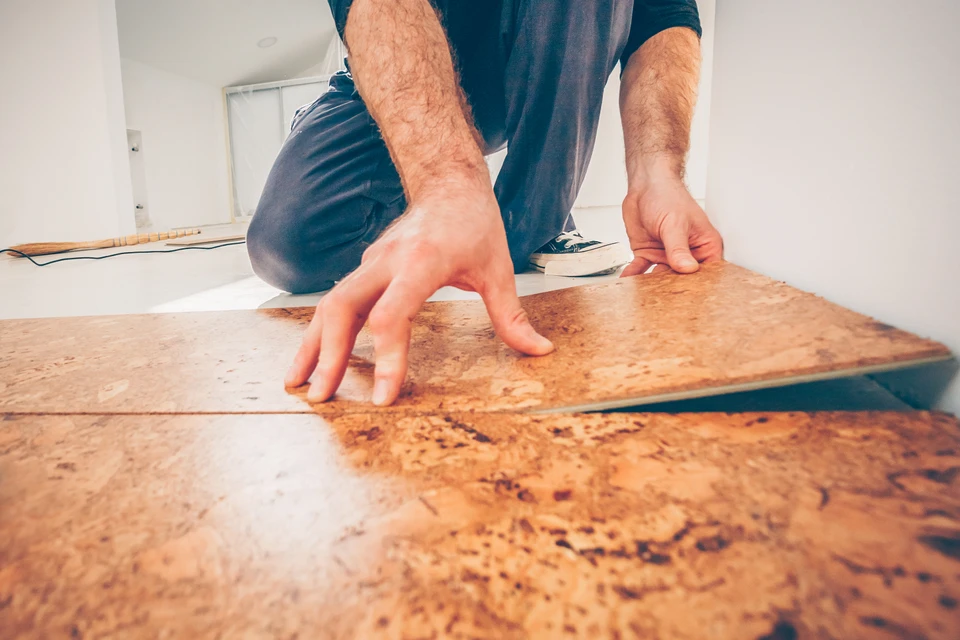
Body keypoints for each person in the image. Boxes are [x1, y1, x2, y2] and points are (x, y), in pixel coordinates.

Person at [247, 0, 724, 407]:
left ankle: (533, 225)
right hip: (402, 59)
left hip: (524, 62)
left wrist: (657, 171)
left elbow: (663, 13)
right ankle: (431, 209)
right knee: (287, 246)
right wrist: (445, 184)